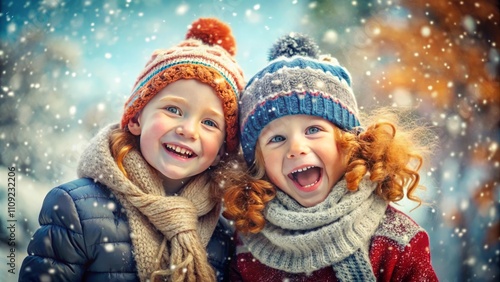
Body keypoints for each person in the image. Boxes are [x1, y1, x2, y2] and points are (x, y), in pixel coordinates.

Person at [19, 18, 245, 282]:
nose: (189, 130)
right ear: (137, 119)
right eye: (173, 109)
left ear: (221, 150)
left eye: (209, 122)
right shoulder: (76, 208)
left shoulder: (223, 230)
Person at [223, 33, 439, 281]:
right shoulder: (247, 241)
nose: (296, 148)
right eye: (277, 139)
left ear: (350, 143)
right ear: (258, 164)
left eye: (313, 130)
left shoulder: (396, 241)